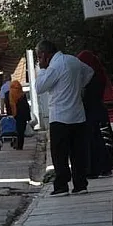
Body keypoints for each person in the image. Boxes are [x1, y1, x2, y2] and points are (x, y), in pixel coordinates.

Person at [36, 40, 93, 196]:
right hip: (77, 114)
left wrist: (41, 70)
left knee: (60, 154)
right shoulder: (73, 60)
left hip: (60, 116)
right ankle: (80, 184)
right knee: (78, 153)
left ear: (44, 55)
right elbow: (89, 72)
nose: (39, 60)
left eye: (39, 57)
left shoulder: (54, 67)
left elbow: (39, 87)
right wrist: (79, 86)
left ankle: (61, 185)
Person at [77, 51, 112, 179]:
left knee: (93, 141)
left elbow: (88, 96)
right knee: (100, 140)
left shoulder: (91, 77)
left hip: (91, 112)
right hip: (98, 111)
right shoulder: (99, 75)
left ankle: (94, 168)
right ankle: (104, 167)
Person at [5, 80, 31, 150]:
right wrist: (28, 118)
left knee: (13, 130)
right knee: (21, 132)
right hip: (22, 116)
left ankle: (15, 143)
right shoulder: (22, 94)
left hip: (13, 116)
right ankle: (19, 145)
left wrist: (9, 115)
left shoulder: (7, 94)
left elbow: (7, 106)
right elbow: (26, 106)